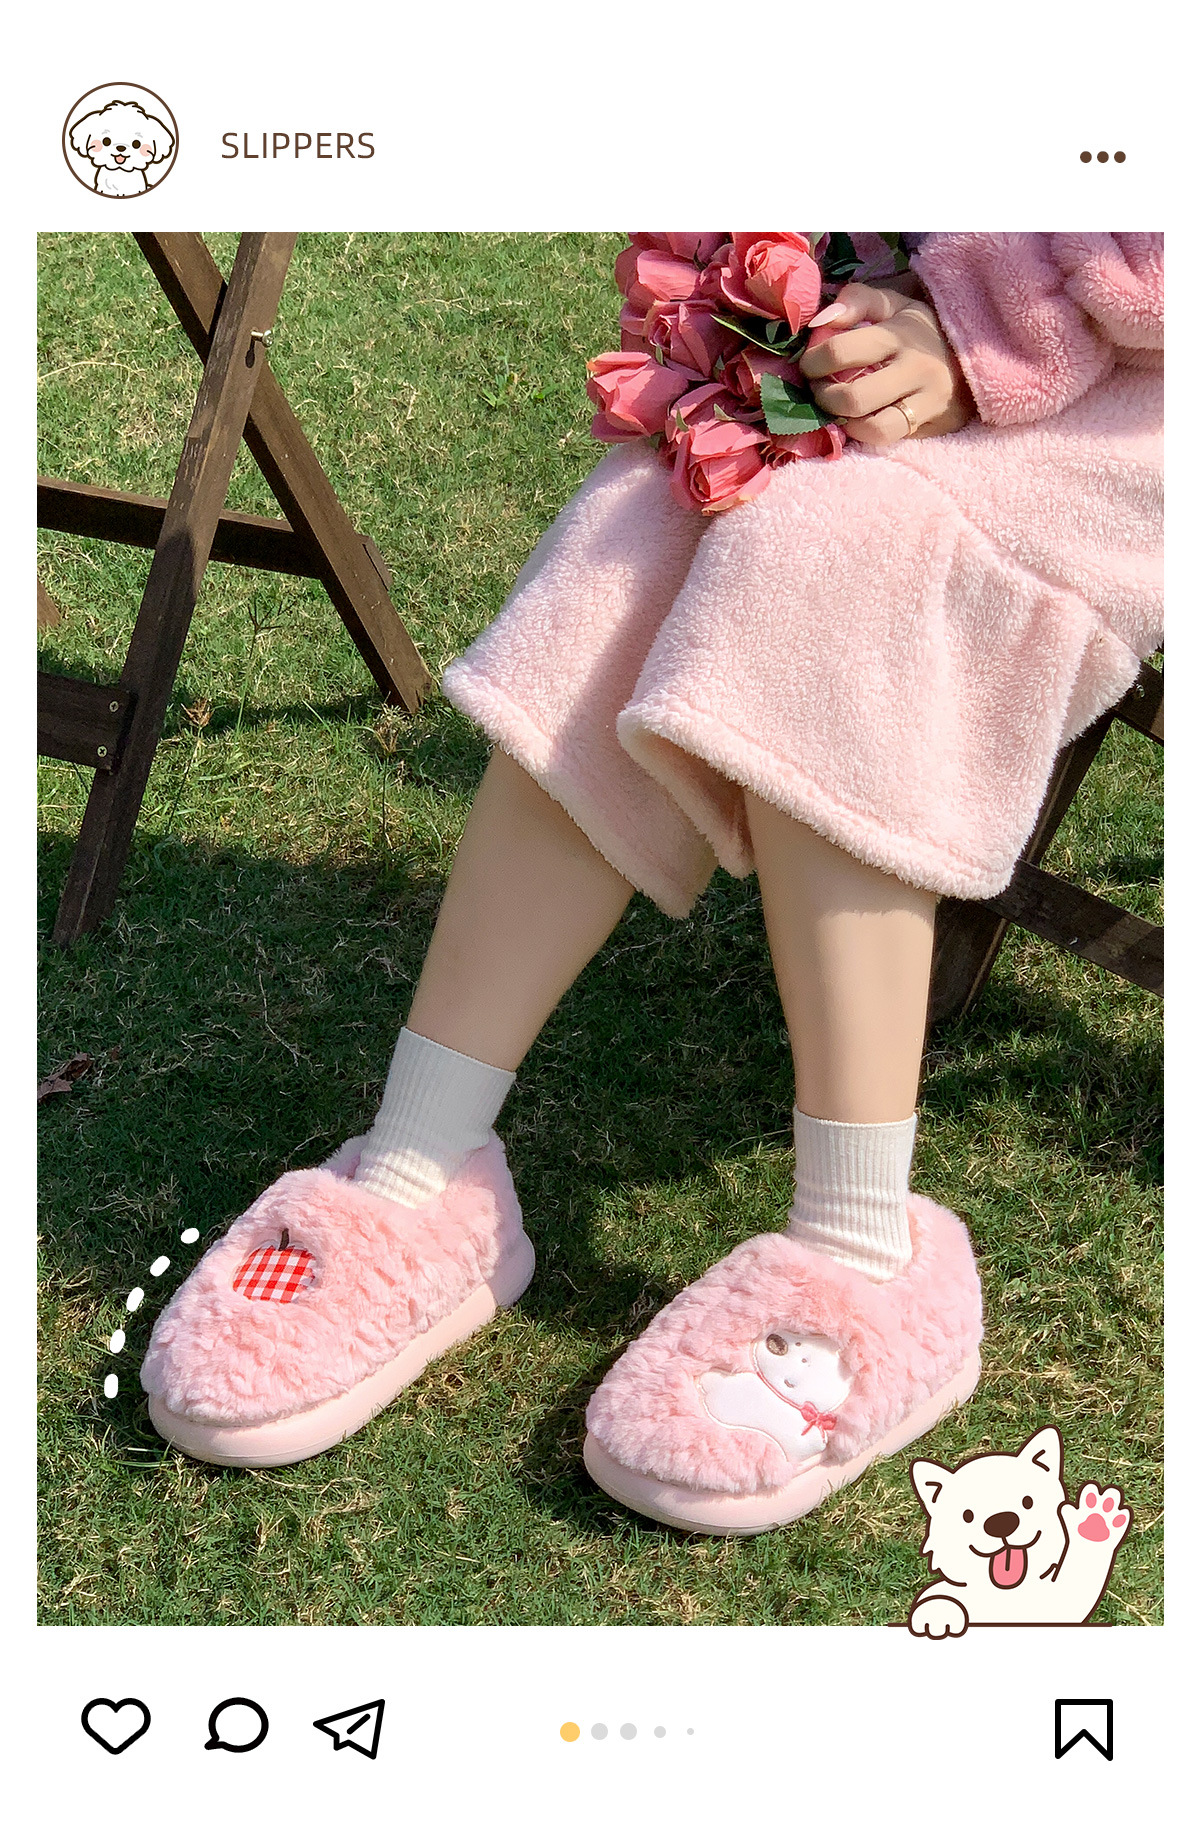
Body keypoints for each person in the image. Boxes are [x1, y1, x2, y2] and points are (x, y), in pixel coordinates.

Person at [141, 233, 1163, 1534]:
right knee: (653, 511)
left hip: (1131, 398)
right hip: (909, 316)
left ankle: (862, 1245)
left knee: (841, 548)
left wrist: (989, 328)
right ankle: (418, 1161)